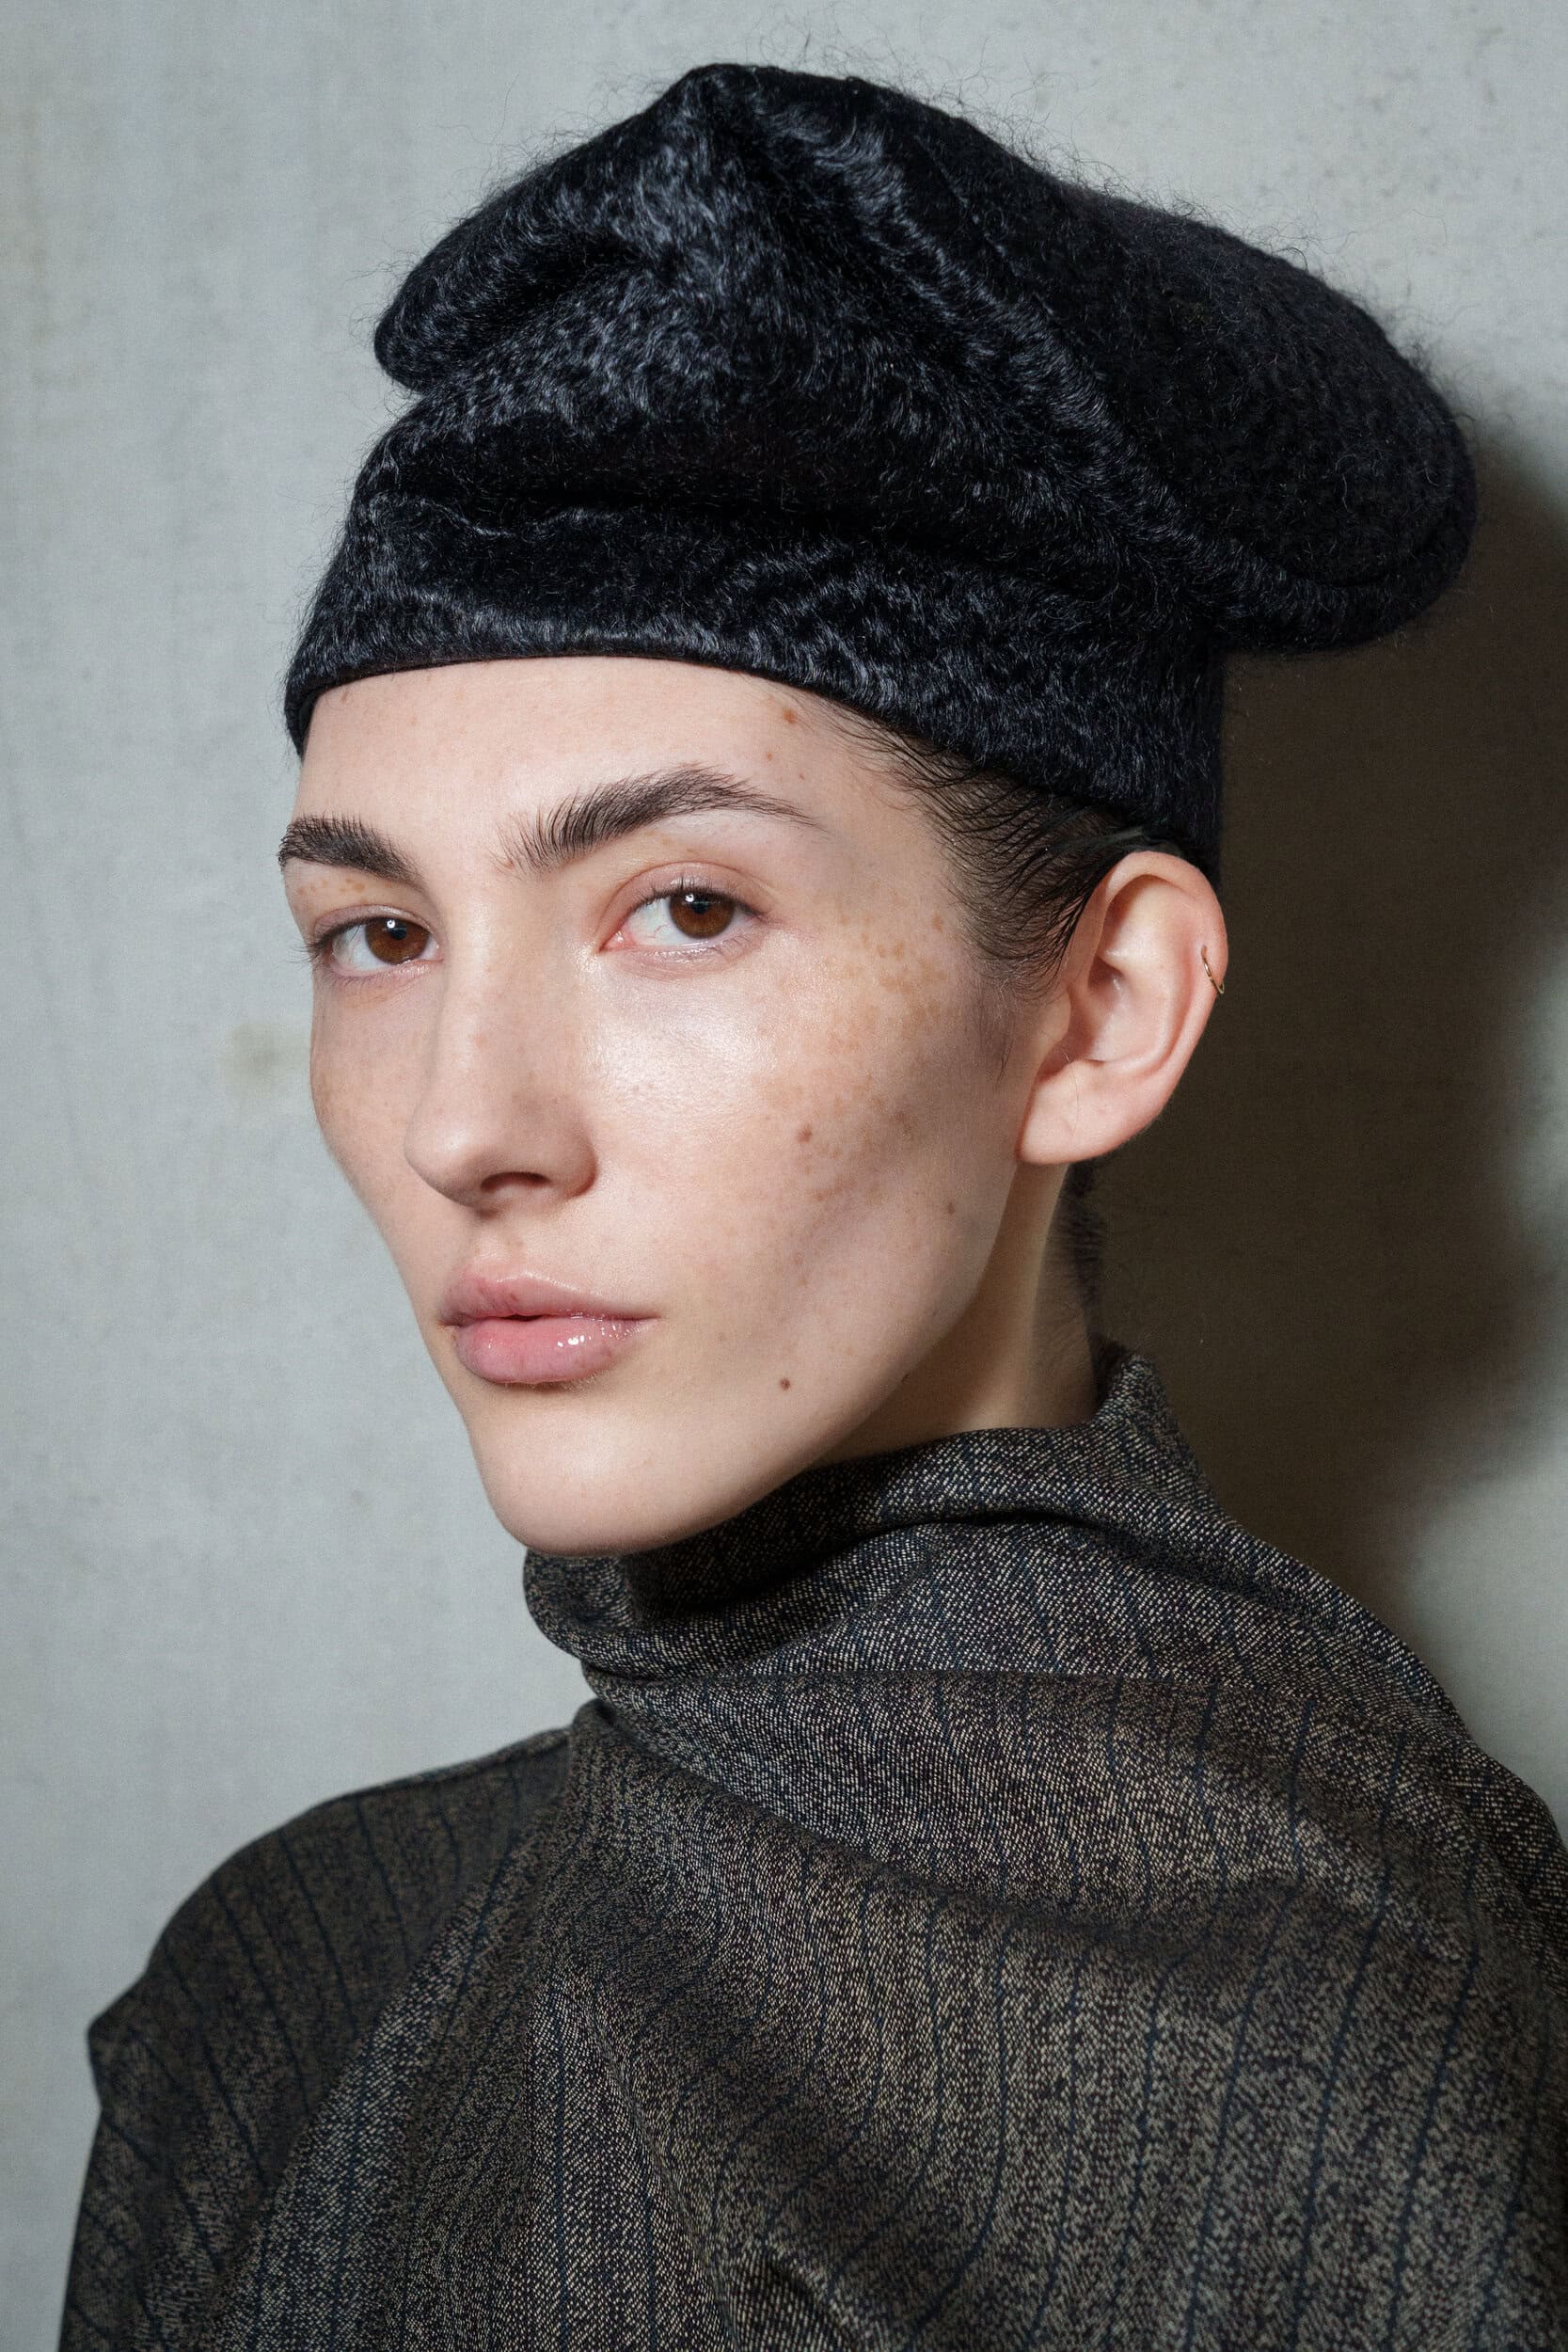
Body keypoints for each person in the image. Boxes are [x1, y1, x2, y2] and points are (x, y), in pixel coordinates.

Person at [59, 61, 1568, 2351]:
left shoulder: (1321, 2074)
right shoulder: (279, 1976)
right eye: (380, 932)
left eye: (682, 906)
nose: (466, 1121)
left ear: (1099, 1011)